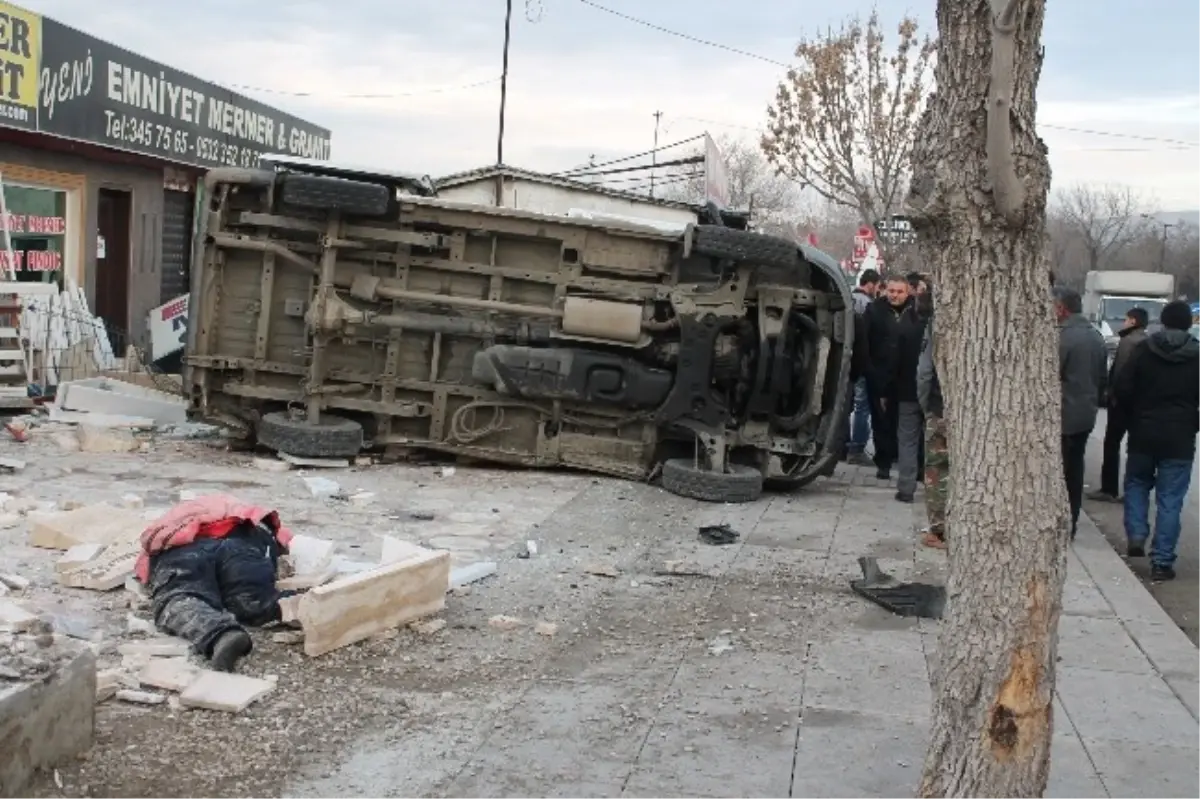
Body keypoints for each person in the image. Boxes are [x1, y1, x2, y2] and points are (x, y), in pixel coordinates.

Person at [136, 495, 295, 671]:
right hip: (241, 541)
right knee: (251, 601)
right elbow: (280, 541)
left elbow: (145, 565)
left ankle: (220, 634)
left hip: (185, 549)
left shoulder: (171, 521)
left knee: (180, 599)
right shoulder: (249, 513)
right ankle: (307, 606)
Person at [1113, 300, 1200, 581]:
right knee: (1170, 500)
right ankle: (1162, 562)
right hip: (1180, 438)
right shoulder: (1197, 355)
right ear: (1189, 323)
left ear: (1162, 322)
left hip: (1143, 431)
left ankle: (1137, 532)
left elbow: (1123, 387)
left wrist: (1133, 417)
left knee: (1137, 483)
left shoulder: (1144, 350)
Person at [1054, 286, 1108, 539]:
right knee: (1074, 470)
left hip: (1063, 414)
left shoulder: (1062, 338)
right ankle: (1071, 522)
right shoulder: (1096, 336)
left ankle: (1060, 522)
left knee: (1061, 473)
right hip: (1085, 414)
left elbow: (1051, 376)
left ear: (1061, 308)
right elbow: (1102, 378)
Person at [1089, 307, 1149, 502]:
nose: (1123, 322)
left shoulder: (1128, 341)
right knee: (1135, 447)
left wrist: (1111, 395)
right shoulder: (1147, 341)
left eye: (1126, 319)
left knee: (1112, 443)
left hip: (1122, 403)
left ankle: (1109, 488)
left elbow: (1120, 372)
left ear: (1133, 321)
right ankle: (1133, 491)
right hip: (1139, 403)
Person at [863, 275, 913, 480]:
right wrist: (870, 370)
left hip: (907, 376)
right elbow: (865, 342)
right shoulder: (874, 310)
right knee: (881, 420)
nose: (895, 295)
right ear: (885, 290)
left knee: (905, 421)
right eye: (892, 291)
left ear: (907, 293)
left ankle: (907, 463)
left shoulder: (915, 312)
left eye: (899, 292)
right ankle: (883, 462)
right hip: (880, 375)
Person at [892, 285, 932, 503]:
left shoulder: (906, 329)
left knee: (907, 439)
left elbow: (895, 362)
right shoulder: (940, 333)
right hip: (934, 396)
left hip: (907, 392)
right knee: (933, 440)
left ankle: (906, 488)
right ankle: (934, 485)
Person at [916, 306, 947, 549]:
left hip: (941, 407)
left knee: (936, 470)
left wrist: (926, 406)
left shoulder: (938, 322)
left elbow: (925, 372)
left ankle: (938, 530)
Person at [845, 269, 881, 465]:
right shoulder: (868, 304)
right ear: (871, 284)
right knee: (862, 406)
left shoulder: (848, 298)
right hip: (863, 360)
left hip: (846, 360)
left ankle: (843, 445)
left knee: (846, 404)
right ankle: (857, 448)